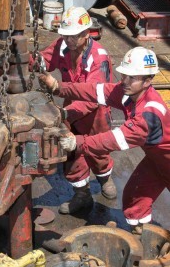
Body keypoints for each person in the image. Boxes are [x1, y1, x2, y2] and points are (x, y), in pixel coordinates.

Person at [38, 46, 170, 233]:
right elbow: (95, 90)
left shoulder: (149, 114)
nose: (124, 81)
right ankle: (143, 235)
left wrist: (78, 142)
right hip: (157, 160)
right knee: (134, 197)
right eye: (124, 75)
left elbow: (114, 139)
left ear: (148, 80)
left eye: (132, 77)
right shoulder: (129, 94)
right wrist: (59, 87)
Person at [30, 6, 117, 214]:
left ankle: (104, 176)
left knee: (97, 150)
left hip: (96, 115)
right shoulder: (63, 45)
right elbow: (45, 59)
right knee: (72, 151)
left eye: (73, 36)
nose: (68, 40)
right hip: (71, 109)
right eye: (65, 35)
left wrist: (66, 113)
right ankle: (82, 195)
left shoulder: (99, 59)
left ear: (86, 34)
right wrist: (27, 59)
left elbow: (93, 96)